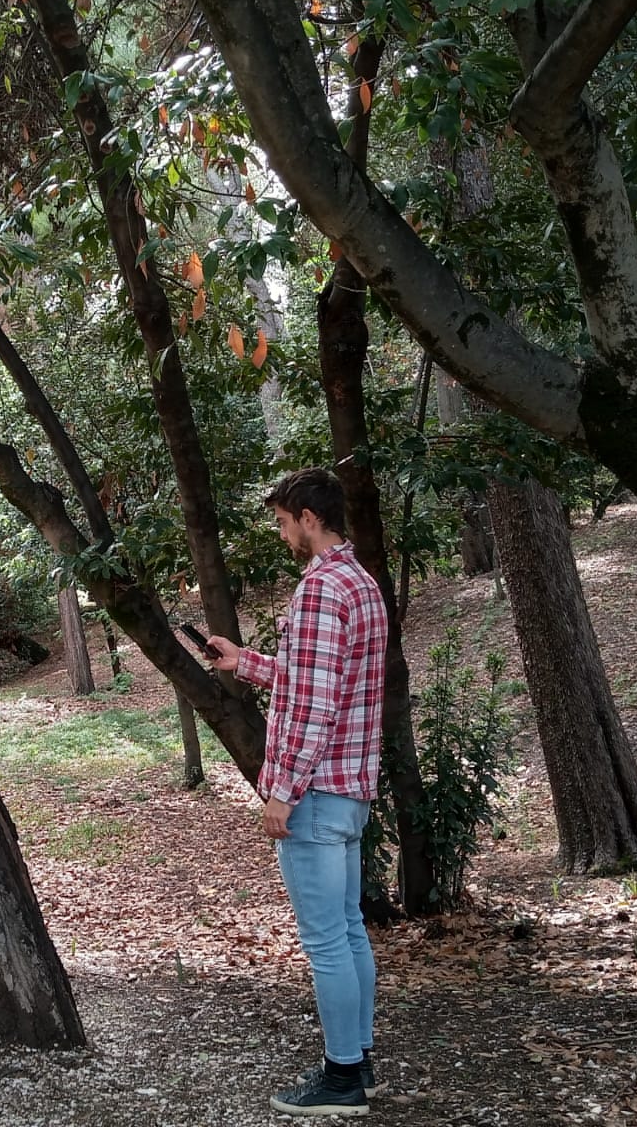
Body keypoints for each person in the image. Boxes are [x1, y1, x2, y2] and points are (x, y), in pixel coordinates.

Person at [203, 468, 388, 1118]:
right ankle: (359, 1064)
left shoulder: (318, 591)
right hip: (352, 788)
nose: (283, 534)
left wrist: (280, 791)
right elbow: (319, 679)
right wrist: (245, 662)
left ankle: (341, 1081)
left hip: (315, 791)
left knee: (327, 942)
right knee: (347, 929)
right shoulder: (361, 584)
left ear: (310, 517)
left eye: (284, 522)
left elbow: (311, 708)